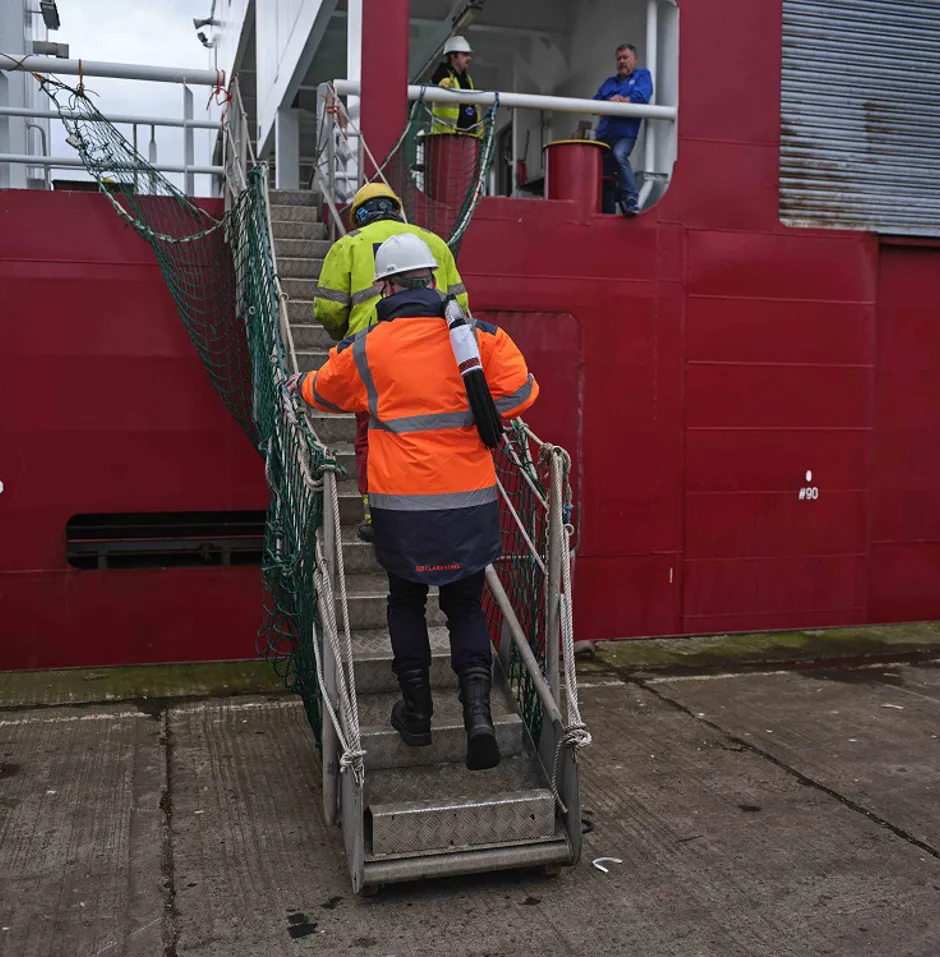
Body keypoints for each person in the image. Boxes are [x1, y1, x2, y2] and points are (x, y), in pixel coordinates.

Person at [288, 233, 539, 771]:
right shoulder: (480, 338)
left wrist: (297, 384)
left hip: (400, 509)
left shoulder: (370, 347)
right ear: (434, 279)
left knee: (405, 604)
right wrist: (476, 410)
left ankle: (417, 713)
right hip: (469, 505)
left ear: (386, 286)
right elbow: (522, 394)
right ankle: (478, 716)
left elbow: (325, 391)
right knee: (465, 605)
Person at [312, 182, 470, 543]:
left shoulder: (348, 245)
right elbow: (461, 304)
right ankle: (436, 506)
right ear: (398, 208)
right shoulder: (434, 242)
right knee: (437, 429)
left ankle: (376, 510)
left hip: (374, 356)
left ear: (359, 215)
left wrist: (345, 338)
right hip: (437, 353)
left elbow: (328, 310)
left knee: (373, 434)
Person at [593, 43, 654, 216]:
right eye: (618, 58)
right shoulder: (609, 83)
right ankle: (607, 213)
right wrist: (610, 104)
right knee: (603, 175)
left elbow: (641, 98)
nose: (621, 62)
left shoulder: (643, 76)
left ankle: (632, 201)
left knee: (619, 156)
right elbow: (594, 105)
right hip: (604, 136)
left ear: (634, 60)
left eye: (625, 58)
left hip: (625, 135)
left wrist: (618, 102)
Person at [430, 35, 482, 138]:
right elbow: (434, 84)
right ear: (453, 56)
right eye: (465, 55)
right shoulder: (442, 75)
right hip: (446, 138)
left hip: (468, 138)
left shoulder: (467, 79)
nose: (469, 58)